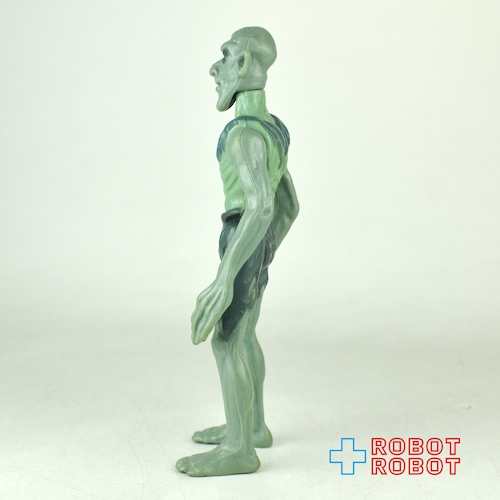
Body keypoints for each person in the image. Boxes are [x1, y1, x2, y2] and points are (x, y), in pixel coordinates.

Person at [176, 26, 299, 477]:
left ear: (244, 63)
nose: (216, 68)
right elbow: (289, 207)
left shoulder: (243, 134)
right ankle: (253, 426)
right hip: (255, 242)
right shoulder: (275, 129)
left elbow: (262, 206)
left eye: (225, 56)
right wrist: (264, 252)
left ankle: (239, 448)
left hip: (242, 237)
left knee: (227, 341)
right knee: (245, 336)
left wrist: (226, 276)